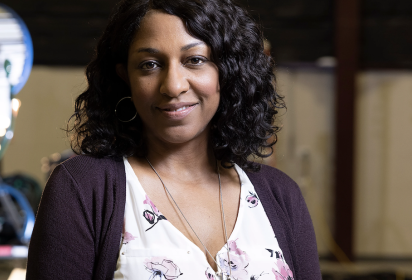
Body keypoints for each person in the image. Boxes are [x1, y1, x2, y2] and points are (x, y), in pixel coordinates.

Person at [26, 0, 320, 279]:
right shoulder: (83, 188)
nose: (173, 86)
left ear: (227, 71)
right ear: (124, 77)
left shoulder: (281, 195)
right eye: (150, 65)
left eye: (195, 60)